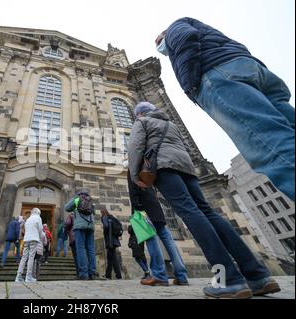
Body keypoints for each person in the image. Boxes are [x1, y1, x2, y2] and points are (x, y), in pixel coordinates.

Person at [128, 101, 280, 298]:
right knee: (208, 212)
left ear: (139, 114)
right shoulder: (169, 123)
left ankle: (228, 280)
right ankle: (258, 276)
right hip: (188, 169)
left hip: (165, 168)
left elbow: (135, 148)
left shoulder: (142, 122)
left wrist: (134, 176)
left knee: (191, 213)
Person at [155, 17, 295, 201]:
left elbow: (186, 38)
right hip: (251, 69)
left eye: (158, 42)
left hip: (219, 76)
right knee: (287, 130)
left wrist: (190, 84)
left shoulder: (175, 27)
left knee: (266, 144)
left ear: (164, 34)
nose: (160, 47)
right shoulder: (207, 32)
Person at [125, 159, 189, 286]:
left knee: (151, 239)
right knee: (168, 239)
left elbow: (133, 189)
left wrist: (137, 209)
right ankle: (181, 276)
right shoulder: (148, 164)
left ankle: (159, 275)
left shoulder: (133, 165)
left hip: (143, 207)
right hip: (156, 206)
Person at [65, 192, 97, 280]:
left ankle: (83, 273)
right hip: (90, 226)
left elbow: (66, 208)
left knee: (80, 249)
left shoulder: (77, 199)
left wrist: (74, 198)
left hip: (79, 227)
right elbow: (93, 213)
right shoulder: (91, 200)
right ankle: (92, 273)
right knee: (91, 249)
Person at [15, 208, 43, 283]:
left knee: (24, 257)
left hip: (26, 239)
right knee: (31, 257)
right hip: (34, 239)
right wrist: (38, 236)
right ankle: (28, 276)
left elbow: (25, 229)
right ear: (37, 212)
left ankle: (18, 276)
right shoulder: (38, 218)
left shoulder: (28, 219)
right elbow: (40, 229)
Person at [100, 208, 122, 280]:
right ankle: (118, 275)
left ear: (102, 212)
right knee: (113, 258)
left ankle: (108, 275)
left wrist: (104, 231)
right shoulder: (111, 217)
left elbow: (106, 226)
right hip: (114, 240)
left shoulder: (104, 217)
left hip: (110, 240)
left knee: (110, 258)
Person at [65, 212, 79, 276]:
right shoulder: (80, 214)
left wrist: (67, 230)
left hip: (73, 238)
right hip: (81, 238)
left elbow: (67, 223)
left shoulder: (71, 215)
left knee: (76, 256)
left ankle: (78, 272)